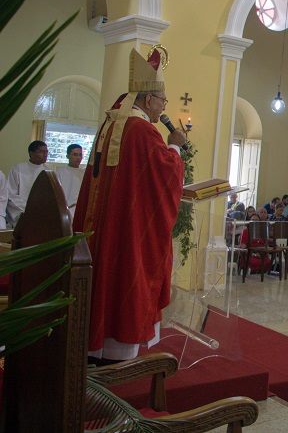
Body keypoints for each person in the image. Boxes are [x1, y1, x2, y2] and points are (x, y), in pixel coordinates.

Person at [74, 46, 186, 364]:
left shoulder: (112, 124)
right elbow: (163, 175)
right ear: (149, 100)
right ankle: (115, 353)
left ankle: (96, 343)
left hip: (106, 223)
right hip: (127, 229)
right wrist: (175, 149)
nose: (163, 107)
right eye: (163, 100)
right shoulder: (141, 131)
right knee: (126, 275)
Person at [6, 140, 49, 227]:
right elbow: (11, 194)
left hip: (41, 213)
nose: (45, 154)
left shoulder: (48, 171)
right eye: (41, 151)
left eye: (46, 151)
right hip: (21, 212)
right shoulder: (18, 169)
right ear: (31, 153)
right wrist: (27, 210)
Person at [55, 144, 85, 219]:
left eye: (80, 155)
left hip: (80, 209)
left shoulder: (84, 173)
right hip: (64, 210)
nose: (78, 158)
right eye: (75, 155)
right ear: (67, 156)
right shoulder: (59, 172)